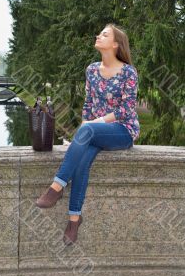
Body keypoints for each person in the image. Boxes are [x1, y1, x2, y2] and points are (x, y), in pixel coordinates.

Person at [35, 23, 140, 245]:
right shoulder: (92, 70)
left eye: (104, 34)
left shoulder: (128, 72)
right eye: (99, 33)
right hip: (94, 130)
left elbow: (126, 110)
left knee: (88, 129)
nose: (98, 36)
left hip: (122, 130)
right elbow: (89, 103)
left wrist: (92, 124)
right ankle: (74, 219)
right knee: (81, 164)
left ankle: (56, 187)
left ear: (115, 44)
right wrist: (87, 124)